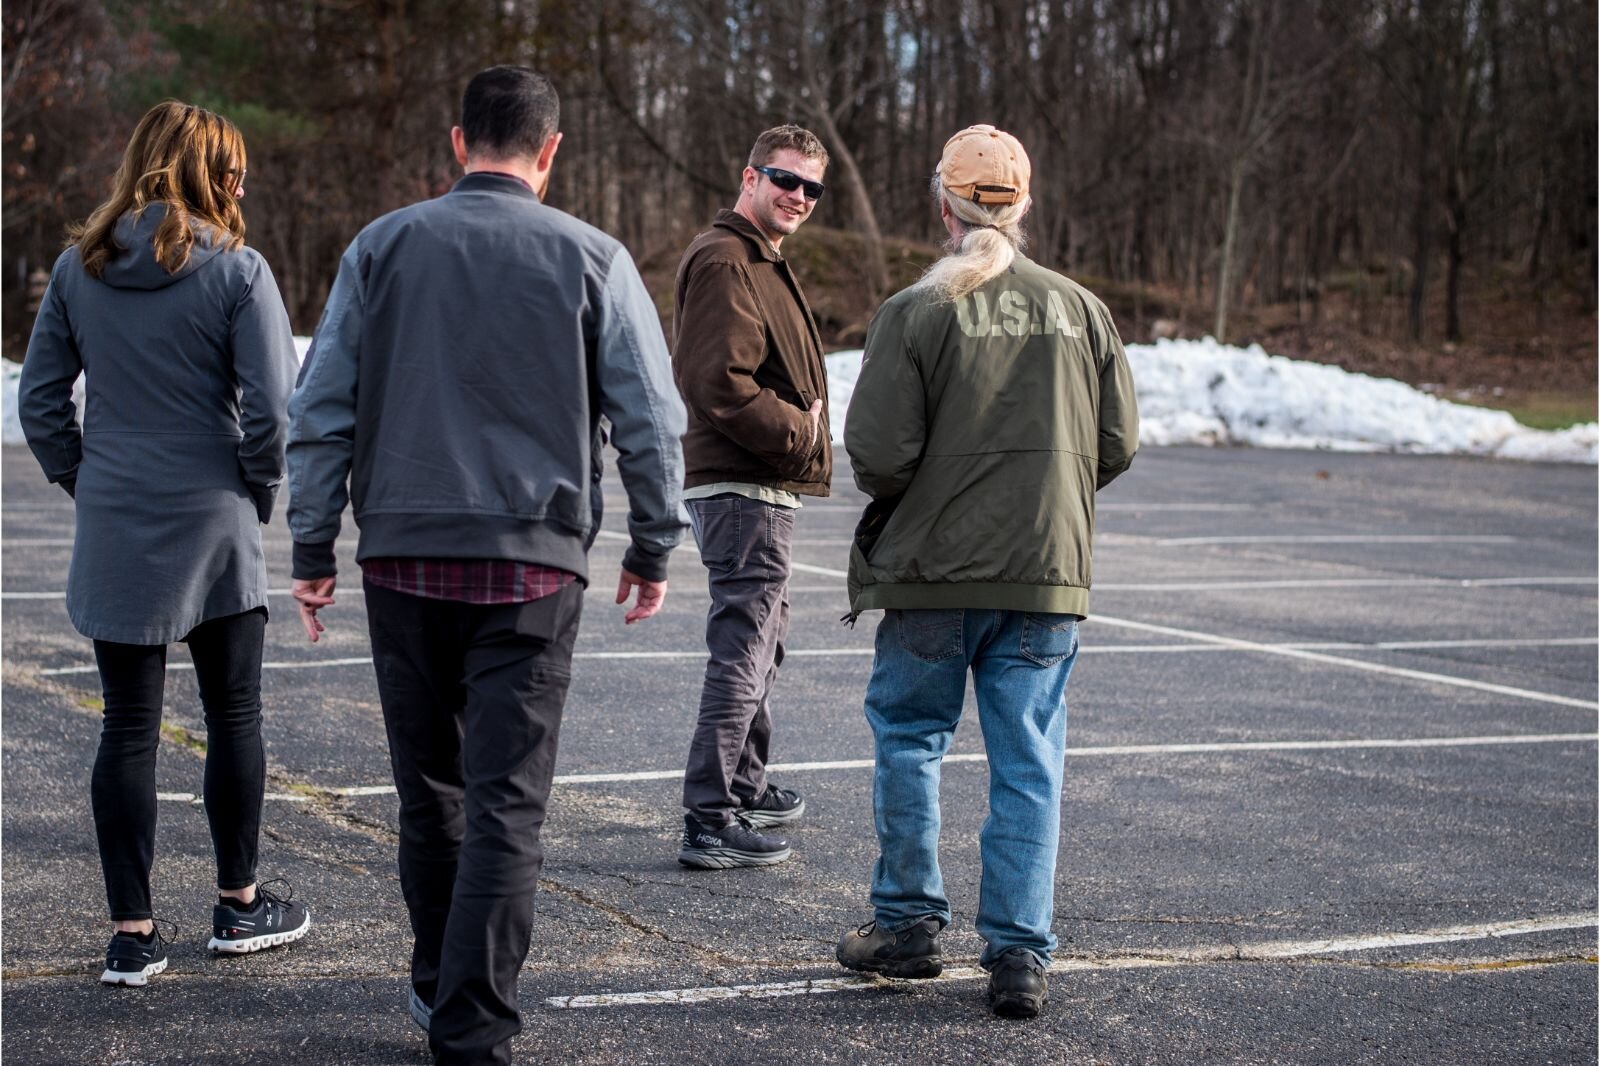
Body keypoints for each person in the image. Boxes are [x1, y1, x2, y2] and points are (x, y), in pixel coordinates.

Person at [286, 66, 687, 1065]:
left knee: (430, 791)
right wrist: (652, 540)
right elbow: (650, 414)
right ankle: (472, 1026)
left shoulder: (382, 246)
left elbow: (321, 405)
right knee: (506, 799)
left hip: (404, 556)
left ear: (458, 142)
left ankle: (437, 984)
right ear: (550, 151)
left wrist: (309, 542)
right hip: (533, 565)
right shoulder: (593, 256)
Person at [833, 125, 1139, 1019]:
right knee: (1029, 763)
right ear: (1026, 205)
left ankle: (907, 926)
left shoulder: (916, 310)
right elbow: (1114, 446)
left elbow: (880, 456)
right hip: (1044, 573)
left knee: (910, 738)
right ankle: (1017, 954)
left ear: (944, 205)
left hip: (932, 573)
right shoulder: (1081, 309)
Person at [19, 100, 309, 987]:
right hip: (216, 522)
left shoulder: (80, 268)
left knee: (128, 727)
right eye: (239, 172)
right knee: (233, 718)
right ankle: (239, 904)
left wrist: (88, 481)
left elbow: (40, 405)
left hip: (118, 520)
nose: (244, 186)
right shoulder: (240, 272)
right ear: (216, 175)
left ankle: (132, 934)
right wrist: (254, 489)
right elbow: (271, 413)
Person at [670, 125, 833, 869]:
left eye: (810, 187)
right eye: (785, 179)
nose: (797, 196)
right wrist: (800, 433)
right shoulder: (728, 258)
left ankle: (745, 781)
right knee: (743, 646)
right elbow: (718, 383)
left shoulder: (760, 257)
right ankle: (710, 816)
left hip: (758, 483)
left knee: (762, 640)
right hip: (743, 484)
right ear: (749, 177)